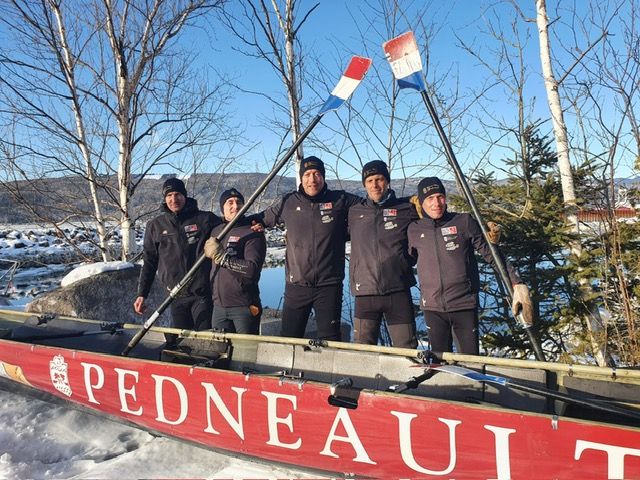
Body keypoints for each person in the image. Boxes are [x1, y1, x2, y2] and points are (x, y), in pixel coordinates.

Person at [407, 176, 533, 354]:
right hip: (432, 308)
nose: (436, 203)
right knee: (439, 363)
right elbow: (405, 259)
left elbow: (492, 255)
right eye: (430, 198)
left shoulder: (463, 222)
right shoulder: (414, 229)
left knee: (470, 362)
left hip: (463, 305)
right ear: (421, 202)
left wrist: (516, 281)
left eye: (440, 196)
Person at [257, 156, 361, 341]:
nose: (312, 179)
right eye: (307, 174)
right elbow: (260, 219)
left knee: (330, 340)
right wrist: (225, 224)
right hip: (297, 285)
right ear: (301, 177)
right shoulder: (289, 202)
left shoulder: (340, 200)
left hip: (329, 286)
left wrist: (411, 204)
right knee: (290, 338)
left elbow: (372, 208)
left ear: (323, 176)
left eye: (317, 174)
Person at [134, 177, 221, 345]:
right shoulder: (155, 225)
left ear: (185, 196)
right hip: (173, 296)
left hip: (201, 294)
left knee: (204, 341)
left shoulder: (205, 219)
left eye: (178, 194)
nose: (174, 199)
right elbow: (150, 262)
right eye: (169, 195)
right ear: (164, 198)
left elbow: (231, 226)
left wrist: (253, 224)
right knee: (178, 343)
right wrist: (141, 294)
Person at [348, 160, 419, 348]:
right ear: (364, 184)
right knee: (363, 350)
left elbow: (434, 223)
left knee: (407, 349)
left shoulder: (407, 209)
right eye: (370, 180)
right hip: (365, 292)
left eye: (379, 179)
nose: (375, 185)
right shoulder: (354, 213)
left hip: (398, 290)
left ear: (387, 182)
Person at [203, 188, 266, 334]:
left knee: (246, 353)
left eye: (239, 202)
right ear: (222, 208)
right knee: (220, 353)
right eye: (229, 202)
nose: (235, 206)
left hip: (244, 307)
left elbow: (251, 270)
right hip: (218, 307)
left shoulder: (252, 232)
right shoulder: (216, 231)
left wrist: (222, 258)